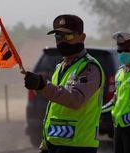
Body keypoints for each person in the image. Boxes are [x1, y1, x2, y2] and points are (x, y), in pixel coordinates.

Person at [24, 14, 105, 153]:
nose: (62, 41)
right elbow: (55, 106)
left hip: (78, 146)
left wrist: (43, 86)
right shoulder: (60, 66)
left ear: (82, 37)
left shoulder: (89, 67)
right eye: (58, 37)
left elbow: (75, 100)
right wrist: (46, 143)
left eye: (68, 36)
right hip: (55, 143)